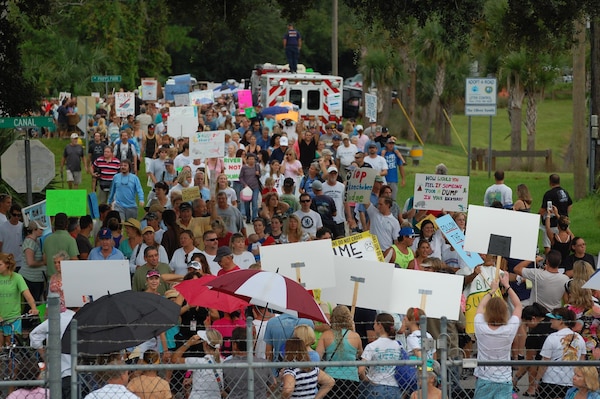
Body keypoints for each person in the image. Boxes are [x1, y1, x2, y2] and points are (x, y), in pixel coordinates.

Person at [473, 272, 522, 398]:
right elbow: (518, 306)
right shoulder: (508, 329)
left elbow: (480, 306)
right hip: (503, 378)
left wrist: (491, 291)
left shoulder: (480, 326)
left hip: (484, 377)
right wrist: (507, 286)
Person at [537, 307, 586, 398]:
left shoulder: (552, 337)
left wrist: (536, 380)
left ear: (561, 321)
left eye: (553, 318)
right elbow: (581, 362)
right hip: (571, 381)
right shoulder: (580, 338)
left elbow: (544, 362)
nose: (550, 320)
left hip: (550, 381)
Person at [316, 305, 363, 399]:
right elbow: (360, 354)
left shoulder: (326, 335)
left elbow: (317, 357)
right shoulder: (355, 336)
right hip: (351, 378)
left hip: (330, 377)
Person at [358, 312, 404, 399]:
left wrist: (366, 379)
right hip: (394, 388)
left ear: (380, 325)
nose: (373, 326)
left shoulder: (372, 346)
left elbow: (361, 370)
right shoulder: (398, 345)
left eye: (374, 323)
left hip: (376, 386)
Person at [224, 327, 277, 399]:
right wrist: (264, 394)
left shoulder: (226, 365)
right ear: (251, 344)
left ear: (235, 345)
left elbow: (225, 387)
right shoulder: (263, 364)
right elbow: (273, 384)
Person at [171, 329, 224, 399]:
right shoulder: (222, 361)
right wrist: (193, 379)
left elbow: (174, 359)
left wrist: (188, 343)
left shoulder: (199, 362)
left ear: (205, 344)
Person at [0, 252, 39, 346]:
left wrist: (33, 307)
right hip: (1, 316)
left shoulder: (17, 277)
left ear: (7, 265)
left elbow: (28, 295)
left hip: (13, 317)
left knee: (10, 347)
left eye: (0, 264)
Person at [539, 173, 573, 253]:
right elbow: (570, 205)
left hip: (552, 223)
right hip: (563, 223)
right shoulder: (565, 193)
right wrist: (564, 214)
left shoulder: (549, 194)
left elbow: (543, 209)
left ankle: (548, 262)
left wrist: (537, 216)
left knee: (548, 244)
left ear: (550, 182)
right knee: (563, 243)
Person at [42, 212, 79, 277]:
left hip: (51, 280)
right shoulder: (70, 240)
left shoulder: (47, 240)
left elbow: (45, 261)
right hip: (65, 279)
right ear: (67, 224)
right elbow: (74, 261)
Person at [20, 220, 46, 302]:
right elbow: (30, 262)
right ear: (34, 230)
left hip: (36, 278)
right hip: (30, 279)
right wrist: (44, 262)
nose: (42, 231)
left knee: (37, 301)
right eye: (40, 229)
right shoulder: (29, 243)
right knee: (32, 303)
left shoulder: (36, 241)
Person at [0, 204, 24, 270]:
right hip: (7, 260)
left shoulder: (22, 227)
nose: (16, 217)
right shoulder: (2, 227)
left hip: (19, 261)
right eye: (14, 215)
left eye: (18, 215)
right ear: (10, 214)